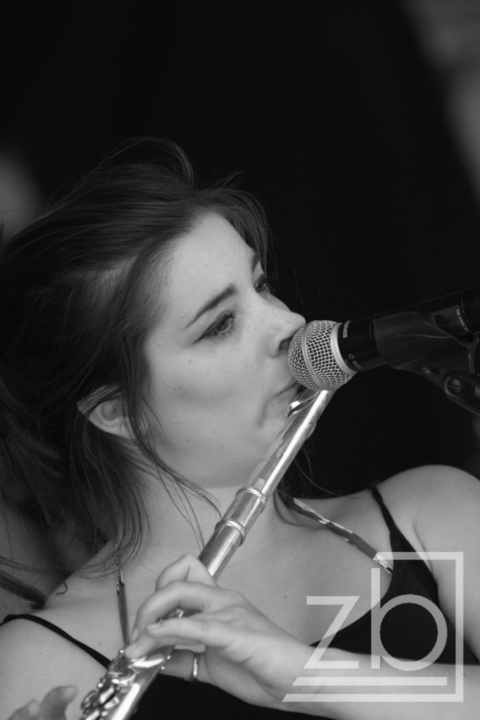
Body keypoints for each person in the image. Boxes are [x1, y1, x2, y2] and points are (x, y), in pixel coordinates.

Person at [0, 138, 479, 720]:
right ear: (116, 410)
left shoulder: (433, 514)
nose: (291, 323)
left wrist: (306, 678)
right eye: (220, 324)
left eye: (261, 284)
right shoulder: (40, 661)